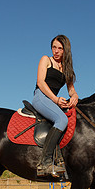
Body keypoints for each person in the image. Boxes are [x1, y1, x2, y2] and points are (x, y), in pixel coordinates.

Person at [32, 35, 79, 177]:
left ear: (65, 50)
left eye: (60, 48)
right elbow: (40, 82)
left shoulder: (66, 68)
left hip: (53, 101)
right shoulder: (46, 60)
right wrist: (56, 99)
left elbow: (71, 89)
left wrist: (74, 96)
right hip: (41, 97)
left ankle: (61, 160)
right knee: (62, 120)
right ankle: (44, 163)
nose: (56, 51)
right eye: (54, 47)